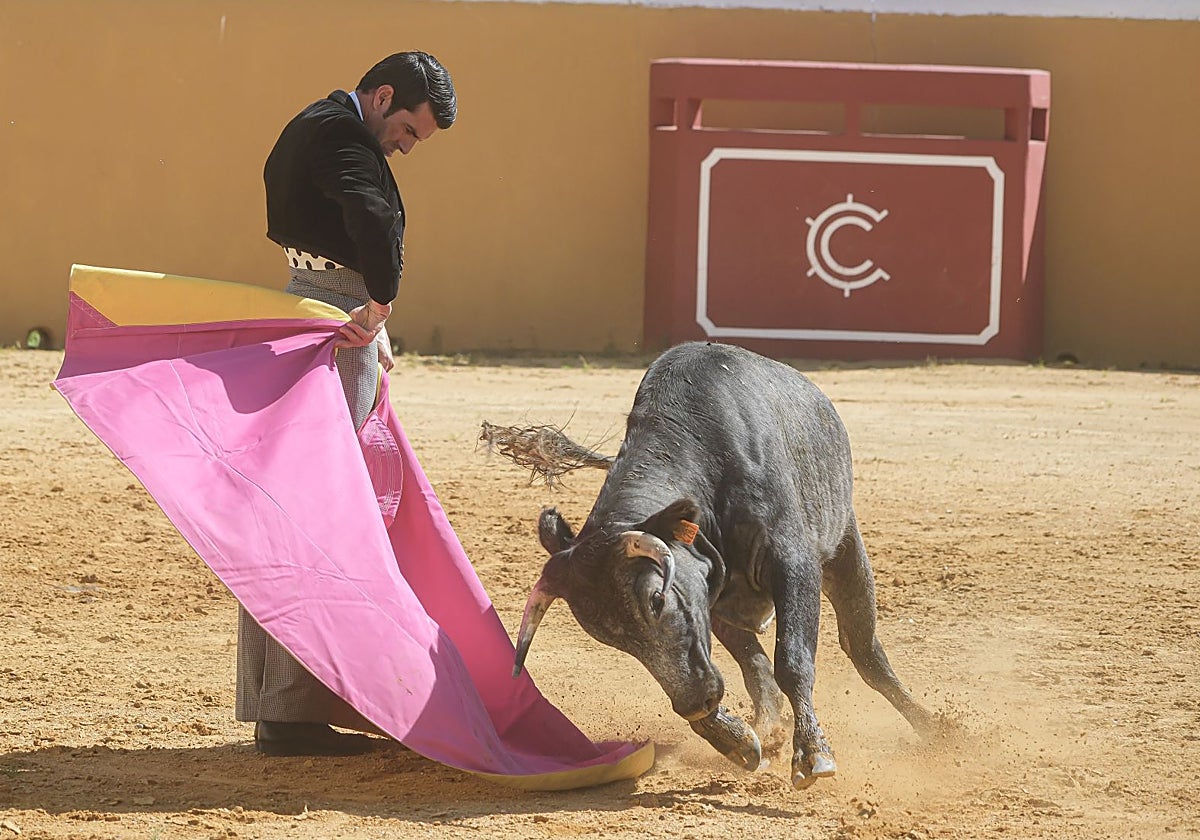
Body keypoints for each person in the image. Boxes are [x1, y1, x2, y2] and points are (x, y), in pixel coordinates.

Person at [238, 51, 457, 757]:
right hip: (335, 323)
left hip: (302, 308)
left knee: (286, 509)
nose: (406, 145)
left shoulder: (313, 123)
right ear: (382, 95)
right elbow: (367, 212)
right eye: (408, 130)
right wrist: (380, 300)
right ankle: (296, 709)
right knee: (325, 513)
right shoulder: (340, 135)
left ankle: (277, 704)